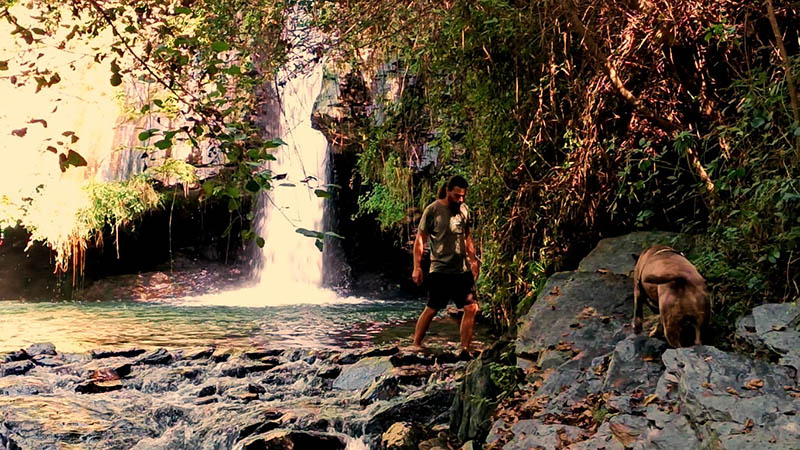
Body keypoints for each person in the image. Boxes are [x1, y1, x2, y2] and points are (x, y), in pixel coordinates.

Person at [412, 175, 480, 353]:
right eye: (457, 195)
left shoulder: (464, 210)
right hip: (440, 270)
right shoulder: (433, 210)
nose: (460, 199)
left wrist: (473, 260)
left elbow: (467, 237)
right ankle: (416, 344)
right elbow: (420, 239)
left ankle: (465, 348)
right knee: (432, 309)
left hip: (461, 270)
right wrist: (417, 267)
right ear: (448, 191)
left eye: (463, 196)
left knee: (471, 308)